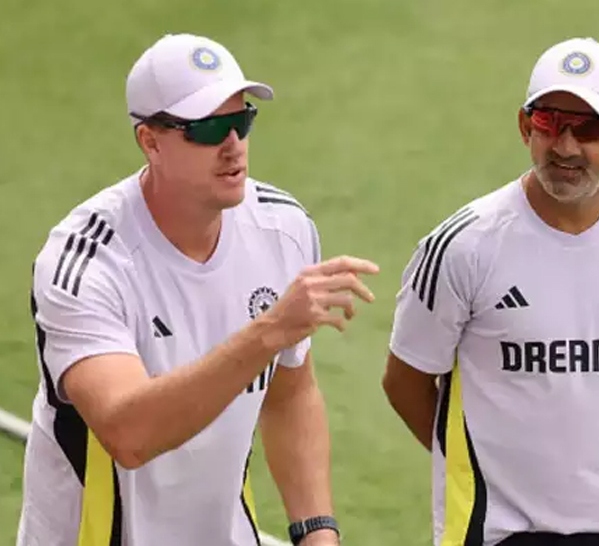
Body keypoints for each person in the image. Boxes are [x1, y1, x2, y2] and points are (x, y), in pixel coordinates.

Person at [17, 33, 378, 546]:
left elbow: (291, 392)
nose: (233, 145)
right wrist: (270, 332)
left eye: (242, 121)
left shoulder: (283, 229)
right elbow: (129, 435)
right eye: (207, 128)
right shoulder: (85, 263)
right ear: (150, 141)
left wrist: (316, 531)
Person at [383, 37, 599, 546]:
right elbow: (405, 380)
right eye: (549, 122)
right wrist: (478, 471)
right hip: (494, 532)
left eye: (588, 129)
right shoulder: (463, 246)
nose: (565, 147)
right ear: (526, 126)